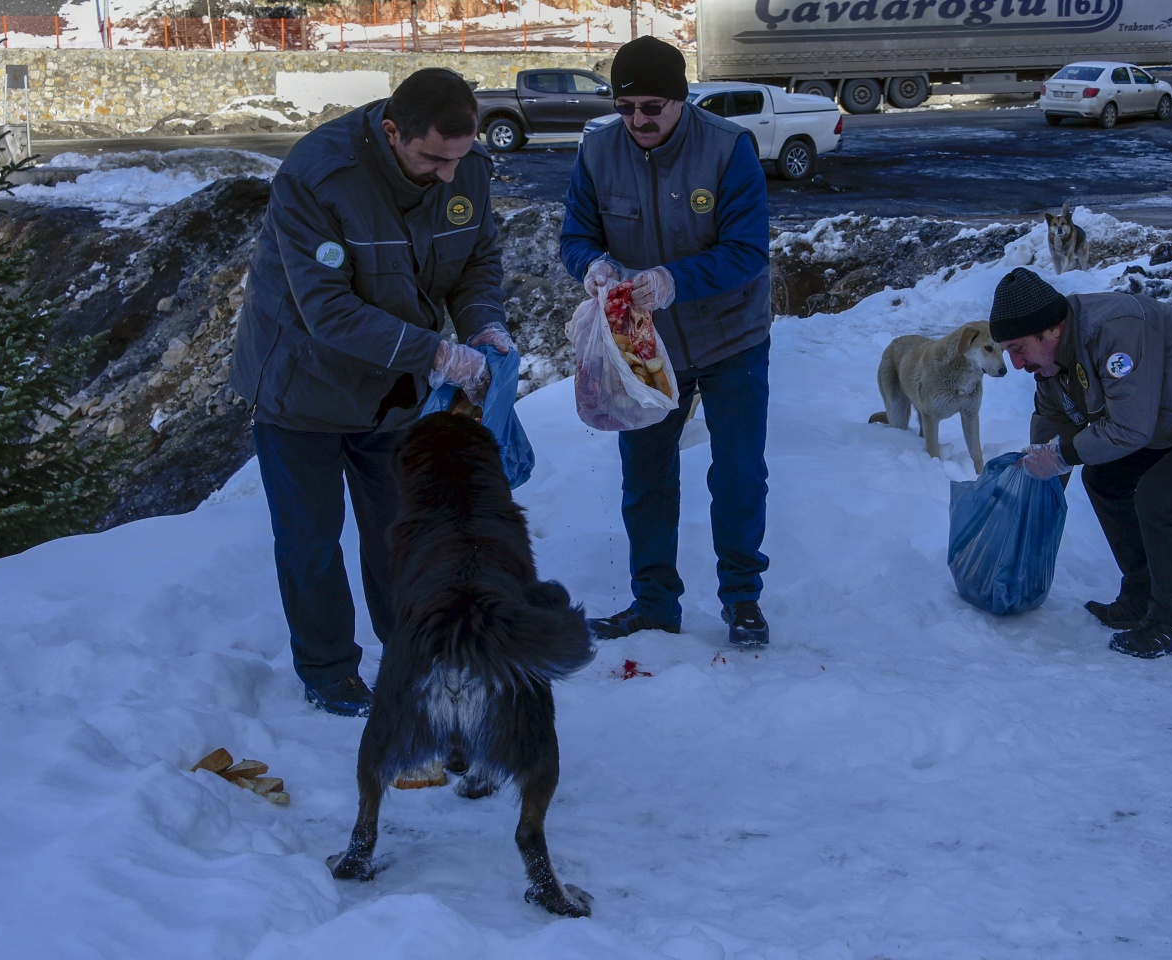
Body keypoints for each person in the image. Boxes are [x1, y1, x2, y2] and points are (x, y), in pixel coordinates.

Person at [230, 68, 514, 715]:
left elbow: (477, 263)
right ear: (392, 133)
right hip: (300, 385)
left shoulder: (464, 167)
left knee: (399, 531)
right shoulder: (318, 177)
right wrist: (440, 353)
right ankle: (328, 671)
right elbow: (327, 311)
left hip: (393, 390)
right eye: (433, 159)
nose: (449, 175)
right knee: (311, 538)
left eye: (459, 158)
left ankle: (412, 654)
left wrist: (483, 323)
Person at [559, 36, 774, 647]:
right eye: (625, 108)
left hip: (733, 337)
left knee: (738, 475)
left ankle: (742, 600)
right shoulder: (599, 152)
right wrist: (593, 266)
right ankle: (653, 603)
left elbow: (747, 251)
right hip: (641, 347)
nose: (638, 121)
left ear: (680, 100)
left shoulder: (728, 150)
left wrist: (671, 280)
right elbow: (575, 234)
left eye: (652, 107)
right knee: (646, 477)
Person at [991, 267, 1172, 659]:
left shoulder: (1114, 330)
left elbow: (1129, 429)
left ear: (1052, 330)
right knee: (1105, 479)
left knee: (1160, 500)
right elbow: (1053, 428)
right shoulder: (1050, 363)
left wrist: (1062, 456)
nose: (1014, 363)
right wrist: (1035, 495)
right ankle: (1142, 595)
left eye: (1018, 348)